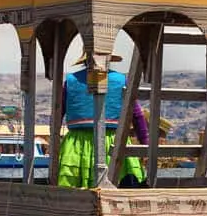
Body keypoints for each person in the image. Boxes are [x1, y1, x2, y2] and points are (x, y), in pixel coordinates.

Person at [56, 55, 150, 188]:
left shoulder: (71, 81)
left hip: (78, 145)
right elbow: (137, 115)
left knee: (73, 189)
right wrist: (145, 145)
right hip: (113, 143)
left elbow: (57, 113)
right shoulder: (121, 80)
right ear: (108, 59)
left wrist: (54, 145)